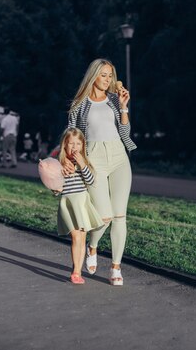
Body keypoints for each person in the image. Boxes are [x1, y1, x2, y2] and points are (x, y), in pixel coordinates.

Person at [66, 58, 136, 286]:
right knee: (104, 217)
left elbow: (125, 133)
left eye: (110, 75)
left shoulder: (115, 100)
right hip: (93, 158)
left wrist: (124, 107)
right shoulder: (80, 103)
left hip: (118, 157)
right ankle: (93, 245)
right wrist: (69, 159)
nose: (107, 80)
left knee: (120, 216)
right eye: (103, 75)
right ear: (93, 75)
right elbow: (71, 134)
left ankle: (116, 267)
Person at [54, 128, 104, 284]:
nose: (74, 147)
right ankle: (76, 271)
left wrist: (82, 164)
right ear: (64, 145)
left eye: (78, 144)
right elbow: (55, 186)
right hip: (68, 204)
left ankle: (77, 271)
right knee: (75, 236)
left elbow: (91, 181)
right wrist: (55, 188)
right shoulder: (60, 163)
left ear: (83, 146)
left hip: (81, 203)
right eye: (70, 144)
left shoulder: (84, 162)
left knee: (81, 238)